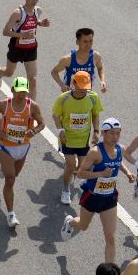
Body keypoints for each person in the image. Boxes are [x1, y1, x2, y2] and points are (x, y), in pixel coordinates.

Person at [62, 117, 134, 263]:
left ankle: (109, 272)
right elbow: (80, 173)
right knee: (83, 226)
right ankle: (70, 222)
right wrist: (100, 174)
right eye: (111, 133)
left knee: (110, 237)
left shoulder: (120, 149)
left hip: (109, 198)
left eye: (118, 133)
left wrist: (127, 173)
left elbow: (118, 162)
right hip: (92, 196)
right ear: (103, 133)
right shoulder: (95, 152)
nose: (115, 137)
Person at [0, 78, 45, 229]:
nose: (22, 95)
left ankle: (4, 169)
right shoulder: (3, 104)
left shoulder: (32, 106)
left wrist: (34, 131)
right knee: (10, 179)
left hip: (23, 148)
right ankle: (11, 214)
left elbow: (42, 124)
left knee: (14, 175)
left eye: (24, 92)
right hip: (6, 147)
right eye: (19, 91)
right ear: (12, 90)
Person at [51, 70, 104, 205]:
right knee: (71, 165)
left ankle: (73, 177)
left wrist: (96, 131)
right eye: (80, 88)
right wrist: (61, 131)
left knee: (81, 168)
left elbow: (96, 114)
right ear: (74, 83)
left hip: (83, 141)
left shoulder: (92, 97)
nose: (83, 91)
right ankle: (66, 189)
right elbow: (56, 116)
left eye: (86, 88)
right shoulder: (63, 99)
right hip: (67, 139)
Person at [0, 0, 50, 99]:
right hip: (16, 48)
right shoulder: (17, 13)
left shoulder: (38, 11)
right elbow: (5, 32)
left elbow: (33, 21)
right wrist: (22, 35)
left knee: (32, 79)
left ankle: (32, 108)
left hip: (31, 48)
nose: (34, 1)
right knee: (9, 73)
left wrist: (41, 23)